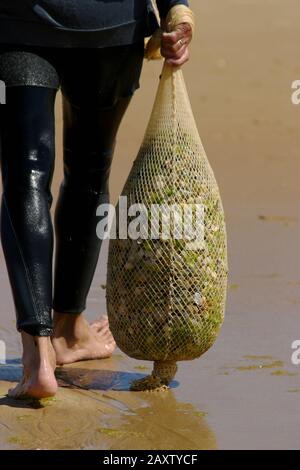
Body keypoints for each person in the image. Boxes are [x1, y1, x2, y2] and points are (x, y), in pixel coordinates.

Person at [0, 0, 193, 399]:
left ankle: (37, 356)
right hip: (111, 25)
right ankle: (69, 331)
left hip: (18, 24)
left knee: (26, 175)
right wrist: (178, 8)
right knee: (89, 168)